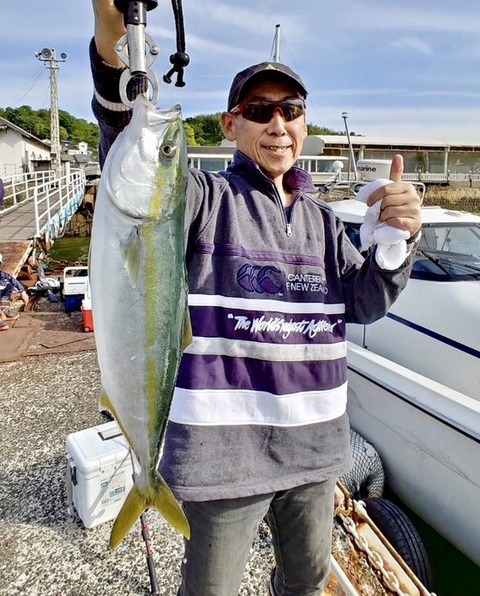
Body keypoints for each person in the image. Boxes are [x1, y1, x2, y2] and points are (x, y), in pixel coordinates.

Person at [89, 3, 422, 594]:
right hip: (223, 463)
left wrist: (395, 248)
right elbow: (133, 156)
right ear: (230, 125)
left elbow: (364, 304)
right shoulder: (203, 199)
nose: (278, 124)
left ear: (303, 123)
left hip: (317, 453)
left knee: (305, 580)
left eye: (290, 111)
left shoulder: (323, 221)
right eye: (260, 111)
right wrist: (112, 44)